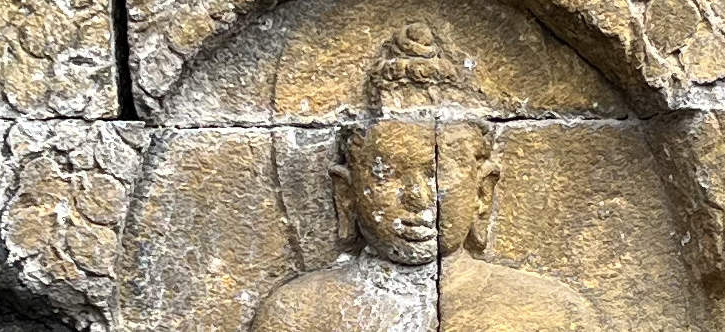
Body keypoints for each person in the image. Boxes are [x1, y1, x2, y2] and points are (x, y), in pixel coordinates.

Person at [252, 120, 601, 332]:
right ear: (347, 193)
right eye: (387, 174)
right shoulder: (299, 313)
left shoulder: (550, 312)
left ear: (482, 190)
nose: (418, 197)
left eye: (437, 174)